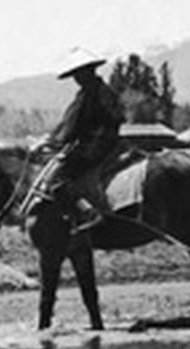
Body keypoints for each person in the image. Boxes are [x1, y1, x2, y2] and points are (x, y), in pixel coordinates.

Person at [34, 48, 125, 227]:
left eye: (77, 73)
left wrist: (50, 141)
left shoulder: (89, 94)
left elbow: (71, 125)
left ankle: (88, 212)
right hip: (111, 143)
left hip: (95, 146)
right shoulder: (104, 90)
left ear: (86, 72)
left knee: (58, 178)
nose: (76, 78)